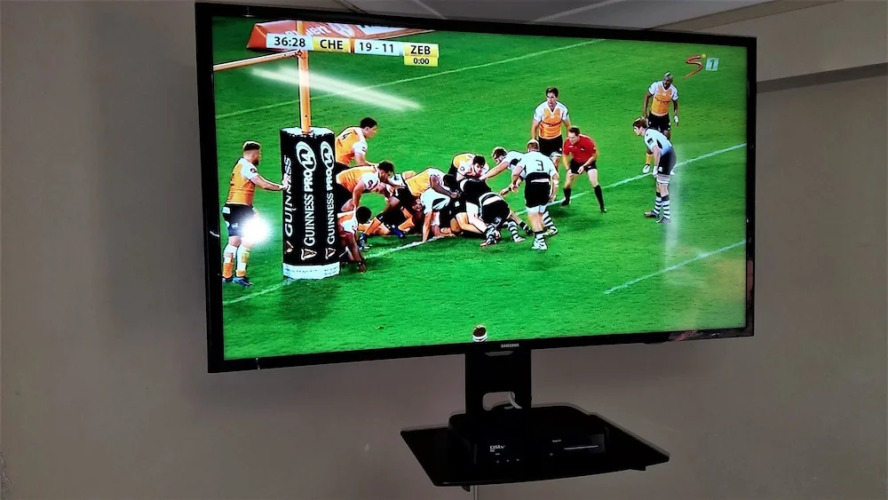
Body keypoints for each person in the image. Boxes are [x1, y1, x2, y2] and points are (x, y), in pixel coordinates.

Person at [221, 141, 289, 287]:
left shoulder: (239, 164)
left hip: (231, 208)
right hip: (239, 209)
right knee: (247, 241)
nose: (260, 157)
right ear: (253, 153)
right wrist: (282, 187)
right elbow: (263, 184)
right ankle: (240, 275)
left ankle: (227, 275)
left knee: (234, 242)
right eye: (259, 154)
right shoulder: (247, 166)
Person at [510, 139, 559, 250]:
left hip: (533, 186)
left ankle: (541, 242)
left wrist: (513, 183)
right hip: (545, 187)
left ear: (528, 149)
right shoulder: (546, 159)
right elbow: (556, 177)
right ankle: (538, 240)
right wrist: (553, 193)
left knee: (533, 216)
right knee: (540, 214)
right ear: (538, 148)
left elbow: (516, 172)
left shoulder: (526, 157)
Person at [633, 117, 676, 224]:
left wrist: (656, 169)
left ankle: (667, 217)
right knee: (658, 185)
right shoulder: (650, 132)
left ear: (641, 128)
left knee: (663, 187)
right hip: (668, 156)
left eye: (635, 128)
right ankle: (656, 212)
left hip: (667, 158)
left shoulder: (648, 135)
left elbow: (656, 151)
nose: (634, 131)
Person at [561, 126, 605, 212]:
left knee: (593, 181)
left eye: (573, 137)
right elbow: (565, 155)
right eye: (569, 137)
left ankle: (602, 206)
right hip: (576, 162)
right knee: (567, 184)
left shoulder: (587, 141)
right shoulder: (567, 142)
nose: (571, 140)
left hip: (588, 161)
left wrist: (584, 166)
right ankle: (567, 200)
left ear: (578, 136)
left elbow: (594, 155)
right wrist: (568, 169)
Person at [641, 72, 679, 173]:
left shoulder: (673, 90)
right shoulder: (656, 86)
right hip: (653, 117)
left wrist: (676, 115)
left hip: (664, 118)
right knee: (651, 141)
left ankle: (665, 164)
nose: (665, 82)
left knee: (666, 141)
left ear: (671, 82)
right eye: (665, 80)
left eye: (668, 81)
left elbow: (675, 104)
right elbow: (646, 97)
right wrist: (644, 114)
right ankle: (647, 164)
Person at [530, 87, 571, 161]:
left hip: (557, 139)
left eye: (552, 97)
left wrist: (569, 139)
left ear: (557, 98)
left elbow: (567, 125)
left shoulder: (562, 109)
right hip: (543, 140)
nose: (550, 100)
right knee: (545, 162)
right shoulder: (540, 109)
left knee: (556, 161)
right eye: (548, 97)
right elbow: (534, 126)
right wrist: (534, 140)